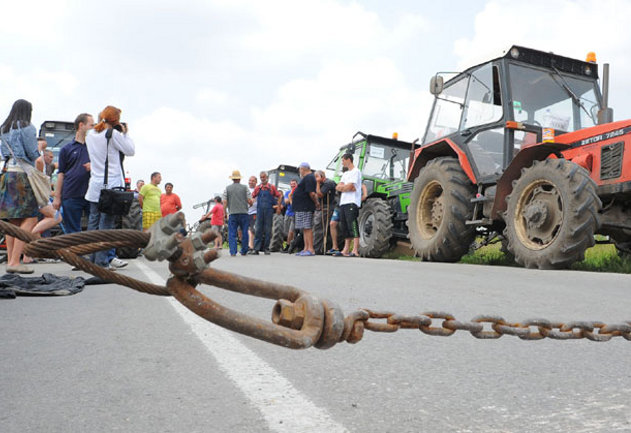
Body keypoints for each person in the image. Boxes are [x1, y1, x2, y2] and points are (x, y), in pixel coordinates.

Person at [85, 105, 135, 269]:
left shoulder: (90, 135)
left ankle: (92, 260)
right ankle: (101, 262)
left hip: (94, 185)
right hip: (111, 186)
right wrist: (125, 133)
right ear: (116, 121)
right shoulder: (112, 134)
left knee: (93, 224)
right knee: (106, 226)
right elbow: (130, 150)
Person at [0, 99, 40, 273]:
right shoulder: (28, 127)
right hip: (22, 176)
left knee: (13, 222)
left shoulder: (4, 128)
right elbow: (33, 154)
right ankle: (16, 261)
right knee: (30, 218)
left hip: (7, 174)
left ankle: (11, 260)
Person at [52, 113, 93, 234]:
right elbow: (61, 174)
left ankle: (93, 253)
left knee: (95, 230)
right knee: (72, 231)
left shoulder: (94, 147)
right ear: (81, 125)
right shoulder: (66, 149)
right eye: (91, 125)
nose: (93, 128)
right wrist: (57, 197)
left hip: (92, 195)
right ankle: (74, 253)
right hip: (71, 194)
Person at [335, 153, 362, 257]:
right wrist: (345, 187)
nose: (342, 162)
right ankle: (345, 249)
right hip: (343, 202)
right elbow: (339, 187)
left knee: (353, 225)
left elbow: (351, 187)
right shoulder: (345, 174)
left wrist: (345, 187)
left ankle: (355, 250)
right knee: (344, 226)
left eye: (343, 160)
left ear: (348, 160)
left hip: (352, 202)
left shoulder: (356, 171)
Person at [251, 171, 282, 255]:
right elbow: (252, 196)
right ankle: (256, 249)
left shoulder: (272, 188)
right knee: (258, 229)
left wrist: (278, 207)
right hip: (260, 211)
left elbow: (279, 196)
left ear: (267, 178)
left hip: (269, 210)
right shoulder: (258, 188)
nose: (262, 179)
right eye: (261, 177)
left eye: (264, 177)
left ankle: (266, 248)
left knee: (268, 230)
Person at [223, 170, 252, 256]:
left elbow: (224, 202)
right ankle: (244, 250)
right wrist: (250, 204)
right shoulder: (245, 187)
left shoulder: (227, 188)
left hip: (232, 213)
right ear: (239, 179)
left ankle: (233, 251)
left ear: (232, 179)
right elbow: (250, 200)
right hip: (244, 213)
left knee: (232, 233)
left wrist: (225, 213)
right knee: (244, 232)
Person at [292, 162, 318, 256]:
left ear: (303, 169)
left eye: (300, 170)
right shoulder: (306, 178)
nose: (300, 172)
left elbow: (311, 193)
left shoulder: (309, 177)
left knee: (307, 227)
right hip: (301, 207)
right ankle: (305, 248)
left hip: (305, 206)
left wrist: (316, 203)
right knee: (304, 228)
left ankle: (310, 249)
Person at [314, 170, 337, 255]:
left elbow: (320, 194)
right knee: (319, 228)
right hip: (322, 207)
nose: (315, 179)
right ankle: (320, 248)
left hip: (327, 207)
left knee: (319, 227)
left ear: (322, 176)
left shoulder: (328, 183)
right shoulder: (322, 184)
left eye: (316, 177)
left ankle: (317, 249)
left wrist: (317, 183)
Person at [281, 178, 297, 253]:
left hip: (295, 214)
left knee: (292, 231)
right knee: (286, 232)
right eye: (291, 184)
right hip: (288, 214)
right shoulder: (287, 192)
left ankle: (289, 246)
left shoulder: (298, 193)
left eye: (294, 184)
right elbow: (286, 201)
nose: (292, 185)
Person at [246, 175, 257, 253]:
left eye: (253, 181)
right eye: (250, 180)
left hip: (254, 212)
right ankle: (245, 244)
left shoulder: (257, 190)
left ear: (256, 182)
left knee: (251, 229)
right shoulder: (245, 190)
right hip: (245, 212)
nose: (251, 182)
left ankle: (251, 246)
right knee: (242, 230)